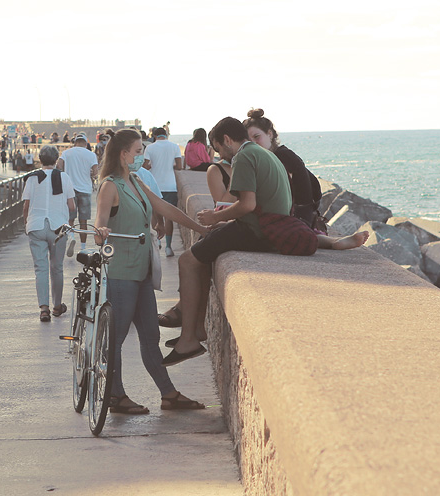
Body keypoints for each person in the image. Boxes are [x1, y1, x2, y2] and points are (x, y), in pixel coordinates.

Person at [162, 118, 369, 366]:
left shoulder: (243, 157)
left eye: (218, 148)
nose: (219, 155)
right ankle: (196, 329)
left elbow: (247, 205)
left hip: (256, 230)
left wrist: (215, 216)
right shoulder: (264, 153)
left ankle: (188, 341)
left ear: (227, 140)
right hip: (274, 225)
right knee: (206, 251)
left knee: (187, 260)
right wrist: (223, 223)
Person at [93, 129, 209, 413]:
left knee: (149, 337)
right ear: (123, 155)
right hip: (121, 272)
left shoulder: (133, 181)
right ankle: (115, 395)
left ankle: (168, 394)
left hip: (142, 270)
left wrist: (202, 229)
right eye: (138, 151)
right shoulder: (110, 186)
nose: (141, 156)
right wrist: (102, 232)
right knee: (116, 338)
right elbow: (98, 228)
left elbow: (164, 208)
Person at [21, 146, 75, 322]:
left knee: (41, 269)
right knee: (57, 267)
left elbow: (26, 206)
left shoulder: (32, 179)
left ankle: (44, 309)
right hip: (58, 227)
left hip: (36, 226)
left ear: (40, 159)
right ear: (56, 159)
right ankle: (57, 305)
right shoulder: (64, 177)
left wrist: (26, 223)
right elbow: (72, 206)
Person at [244, 108, 323, 227]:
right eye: (249, 141)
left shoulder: (283, 157)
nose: (253, 143)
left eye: (257, 137)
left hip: (298, 219)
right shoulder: (272, 157)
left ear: (269, 134)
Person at [56, 132, 99, 257]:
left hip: (70, 190)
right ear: (85, 143)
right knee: (83, 220)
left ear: (75, 142)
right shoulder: (91, 155)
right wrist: (90, 174)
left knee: (70, 218)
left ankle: (71, 237)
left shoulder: (66, 153)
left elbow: (59, 166)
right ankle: (83, 247)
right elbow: (95, 172)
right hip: (85, 189)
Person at [143, 127, 183, 257]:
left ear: (154, 136)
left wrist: (153, 166)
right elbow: (180, 166)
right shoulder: (174, 147)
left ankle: (157, 241)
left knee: (155, 214)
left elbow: (146, 166)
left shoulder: (150, 148)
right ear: (166, 135)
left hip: (154, 185)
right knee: (169, 217)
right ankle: (169, 247)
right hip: (170, 185)